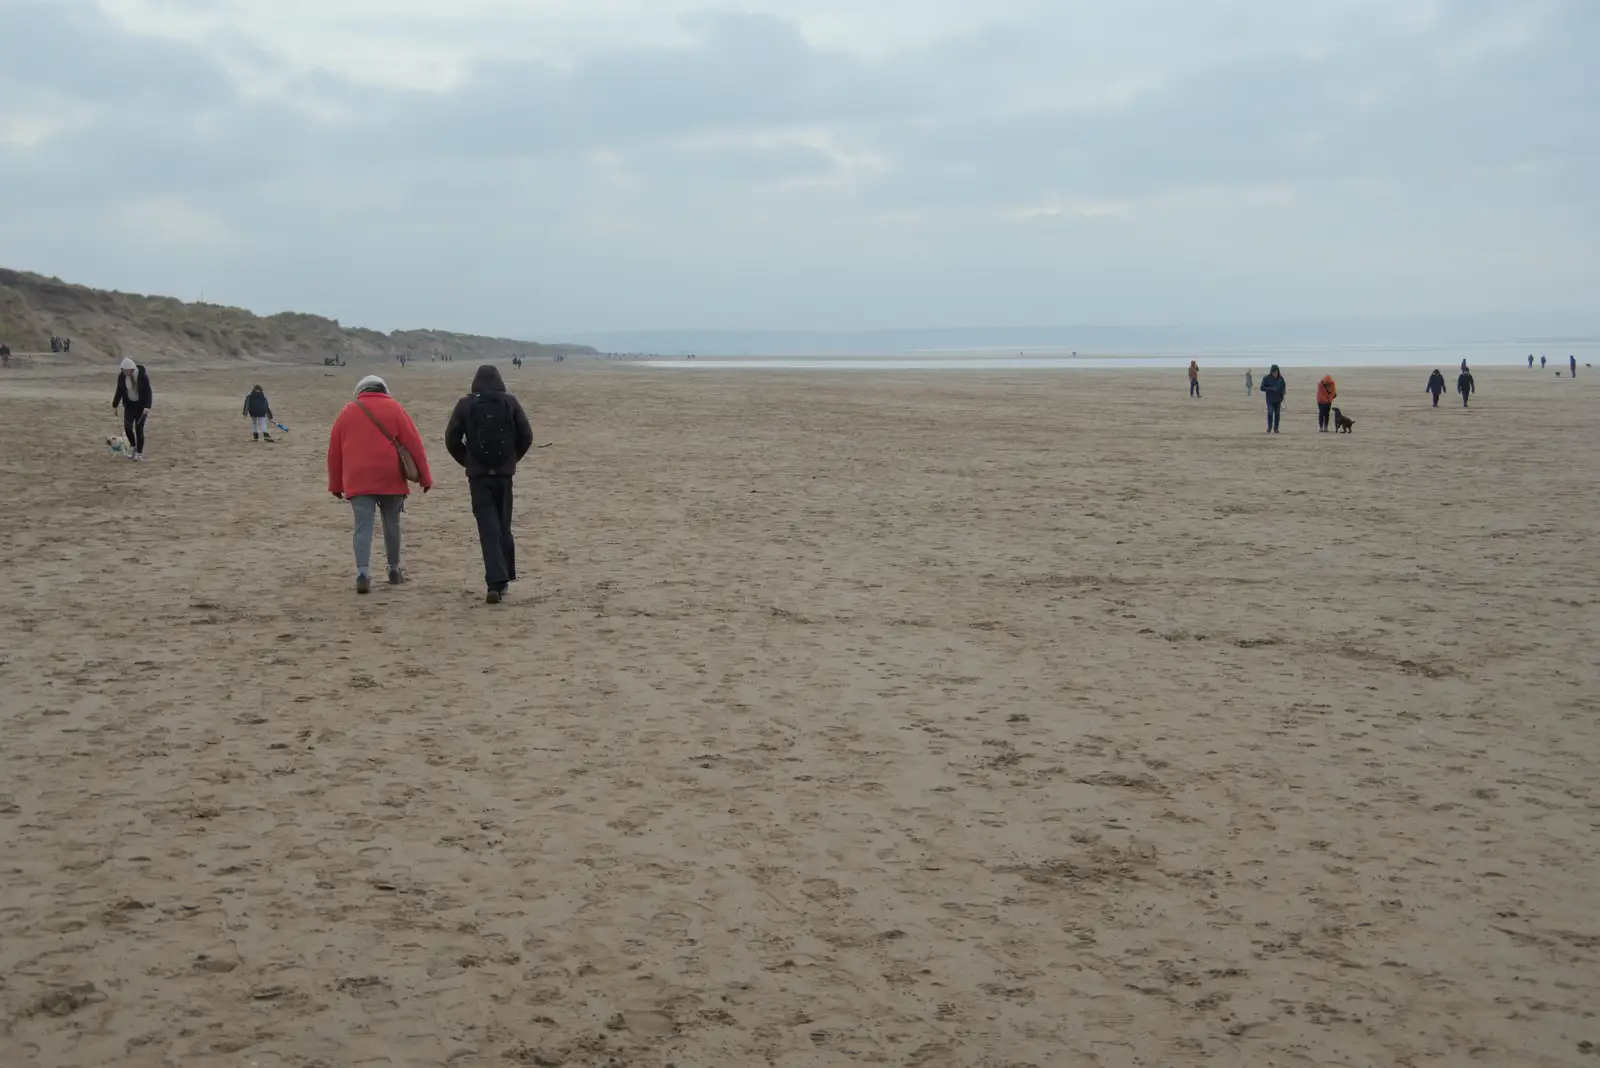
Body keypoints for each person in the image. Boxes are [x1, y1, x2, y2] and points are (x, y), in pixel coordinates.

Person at [326, 375, 433, 595]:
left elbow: (334, 452)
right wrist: (425, 477)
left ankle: (363, 574)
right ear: (384, 389)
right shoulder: (395, 408)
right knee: (391, 524)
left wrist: (335, 484)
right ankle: (394, 570)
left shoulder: (347, 411)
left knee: (362, 526)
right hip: (390, 475)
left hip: (358, 477)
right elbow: (414, 443)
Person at [444, 365, 534, 604]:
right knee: (503, 524)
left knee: (488, 527)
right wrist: (511, 460)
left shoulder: (465, 404)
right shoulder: (509, 402)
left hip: (479, 476)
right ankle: (503, 579)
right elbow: (526, 435)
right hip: (503, 475)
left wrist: (468, 461)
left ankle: (496, 582)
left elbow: (451, 438)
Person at [112, 357, 153, 460]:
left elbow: (148, 391)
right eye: (123, 370)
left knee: (138, 429)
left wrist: (147, 406)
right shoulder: (122, 377)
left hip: (141, 406)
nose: (125, 372)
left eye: (127, 370)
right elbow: (119, 390)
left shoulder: (142, 376)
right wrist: (115, 405)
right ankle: (133, 447)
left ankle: (139, 453)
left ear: (132, 369)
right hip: (129, 405)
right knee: (128, 427)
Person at [1259, 365, 1286, 433]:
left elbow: (1283, 387)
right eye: (1273, 372)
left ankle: (1276, 428)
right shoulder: (1266, 378)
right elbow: (1262, 388)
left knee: (1277, 414)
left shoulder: (1281, 379)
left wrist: (1283, 393)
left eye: (1276, 372)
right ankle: (1269, 427)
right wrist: (1270, 388)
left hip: (1278, 399)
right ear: (1271, 372)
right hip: (1270, 399)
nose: (1275, 373)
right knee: (1270, 413)